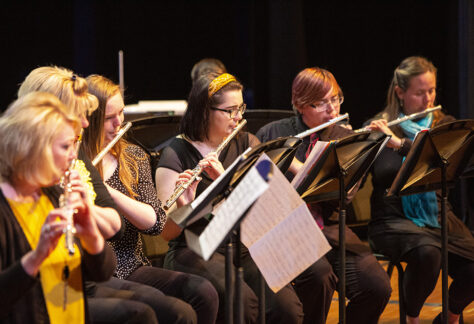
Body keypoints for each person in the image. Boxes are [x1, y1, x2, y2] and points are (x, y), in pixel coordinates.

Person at [155, 72, 309, 324]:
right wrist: (189, 206)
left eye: (241, 108)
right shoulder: (175, 153)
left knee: (287, 307)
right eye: (230, 110)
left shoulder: (247, 142)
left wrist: (224, 179)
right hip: (194, 248)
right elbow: (166, 232)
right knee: (244, 304)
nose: (239, 117)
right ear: (205, 111)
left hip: (240, 242)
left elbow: (268, 203)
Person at [17, 66, 164, 324]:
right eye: (78, 115)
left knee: (157, 311)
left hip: (75, 280)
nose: (86, 123)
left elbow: (103, 265)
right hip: (35, 294)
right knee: (140, 315)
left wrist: (87, 214)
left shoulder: (73, 156)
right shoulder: (19, 175)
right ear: (44, 116)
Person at [256, 67, 392, 324]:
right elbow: (259, 191)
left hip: (328, 229)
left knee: (377, 287)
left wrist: (303, 171)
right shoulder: (272, 134)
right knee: (320, 277)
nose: (333, 109)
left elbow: (344, 198)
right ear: (300, 104)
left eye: (336, 99)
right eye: (322, 103)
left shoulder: (347, 139)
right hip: (283, 232)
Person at [83, 74, 219, 324]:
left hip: (131, 265)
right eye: (109, 118)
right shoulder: (75, 160)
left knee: (203, 292)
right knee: (172, 310)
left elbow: (155, 224)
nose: (119, 123)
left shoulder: (133, 157)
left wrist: (105, 190)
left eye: (121, 113)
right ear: (89, 120)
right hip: (96, 271)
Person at [365, 56, 474, 324]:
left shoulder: (443, 125)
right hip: (393, 219)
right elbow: (375, 175)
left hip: (439, 217)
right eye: (419, 92)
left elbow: (439, 162)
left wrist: (400, 144)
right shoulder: (380, 128)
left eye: (432, 90)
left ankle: (449, 316)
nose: (427, 99)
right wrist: (363, 143)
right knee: (428, 253)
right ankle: (412, 319)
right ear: (400, 93)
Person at [0, 92, 116, 324]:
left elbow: (102, 273)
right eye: (65, 146)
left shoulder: (53, 194)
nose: (74, 155)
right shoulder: (4, 209)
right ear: (32, 147)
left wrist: (91, 234)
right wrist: (37, 257)